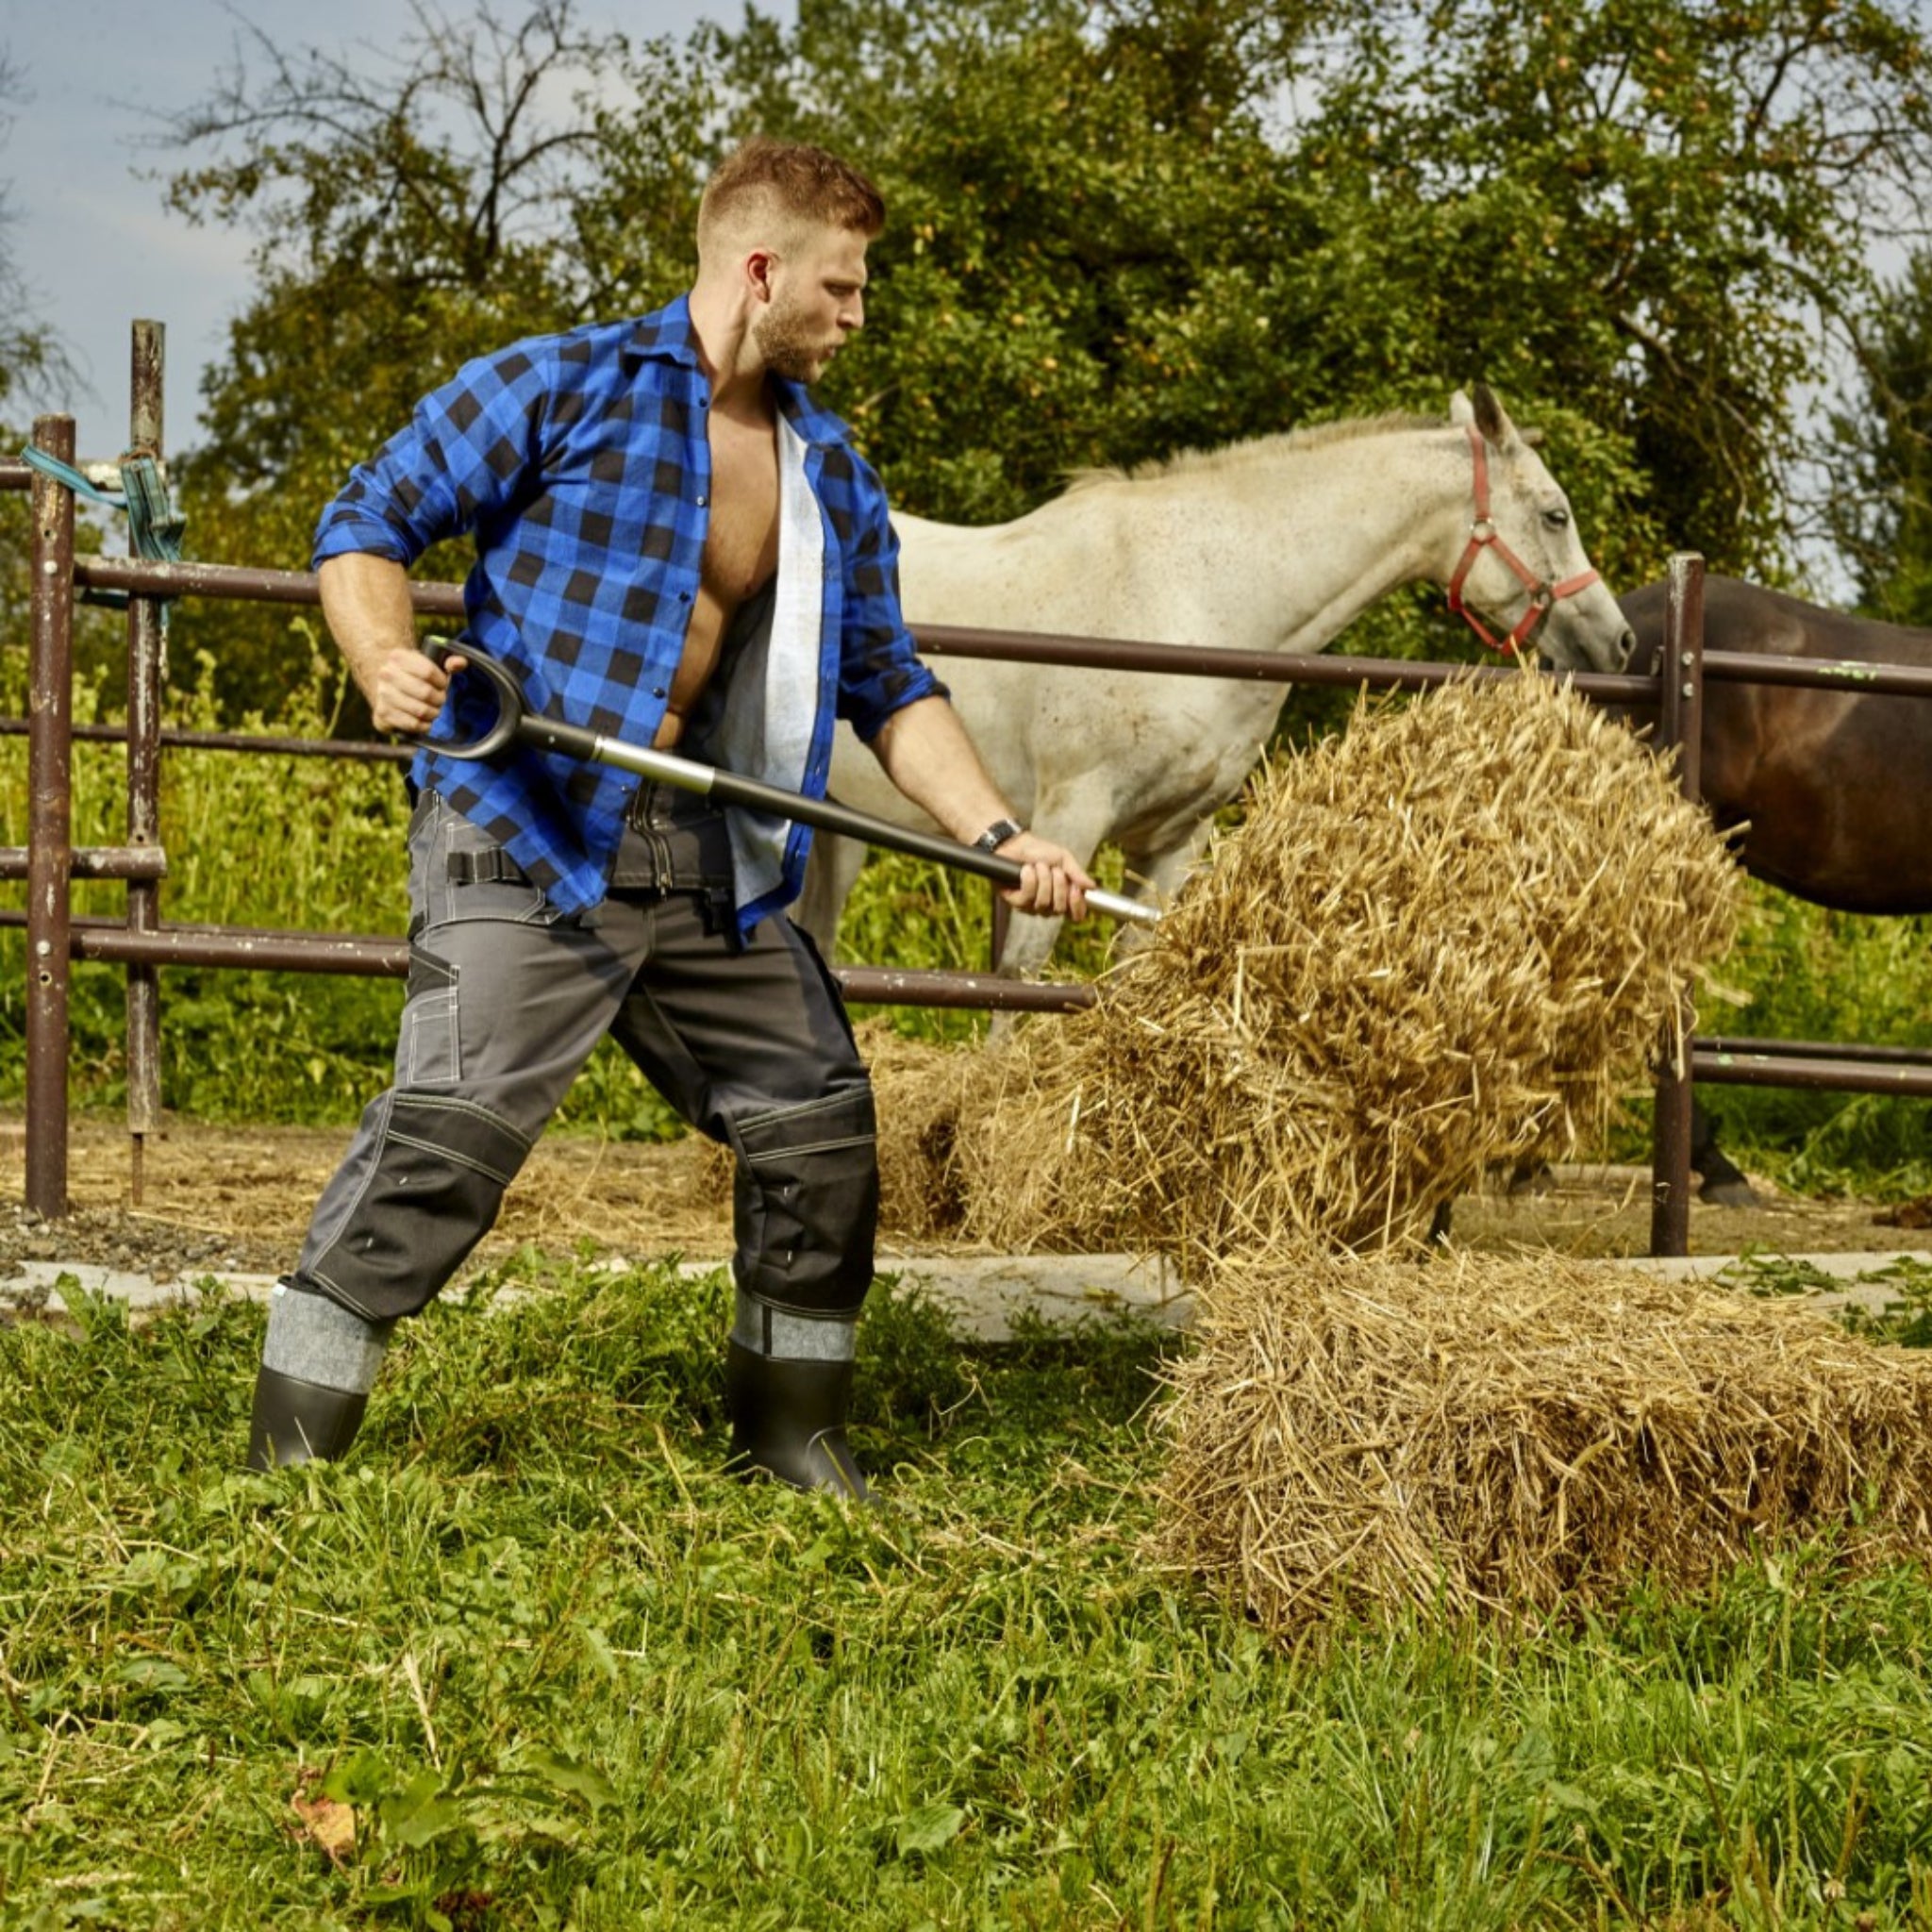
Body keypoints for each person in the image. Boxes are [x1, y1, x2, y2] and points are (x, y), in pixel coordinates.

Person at [244, 136, 1093, 1501]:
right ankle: (285, 1469)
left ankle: (789, 1440)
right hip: (529, 825)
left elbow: (888, 682)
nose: (857, 315)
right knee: (449, 1141)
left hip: (709, 855)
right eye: (843, 285)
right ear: (761, 269)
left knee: (817, 1128)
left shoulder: (830, 475)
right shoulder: (560, 384)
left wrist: (1000, 837)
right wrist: (379, 657)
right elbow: (369, 519)